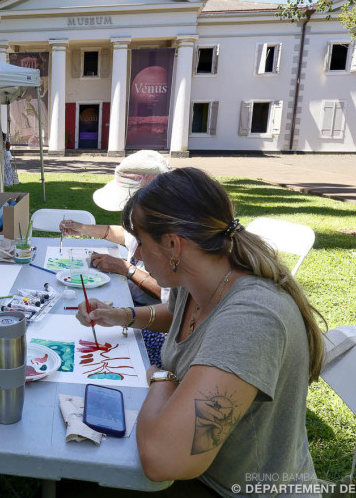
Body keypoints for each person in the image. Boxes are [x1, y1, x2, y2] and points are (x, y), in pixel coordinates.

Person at [76, 167, 325, 497]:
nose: (136, 255)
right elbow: (177, 314)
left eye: (142, 243)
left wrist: (160, 378)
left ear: (172, 245)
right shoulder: (200, 277)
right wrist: (122, 315)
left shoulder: (252, 319)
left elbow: (163, 460)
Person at [60, 150, 170, 365]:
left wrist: (126, 269)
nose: (138, 251)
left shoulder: (169, 238)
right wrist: (84, 228)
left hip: (153, 325)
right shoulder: (145, 224)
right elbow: (125, 235)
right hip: (131, 308)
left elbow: (171, 304)